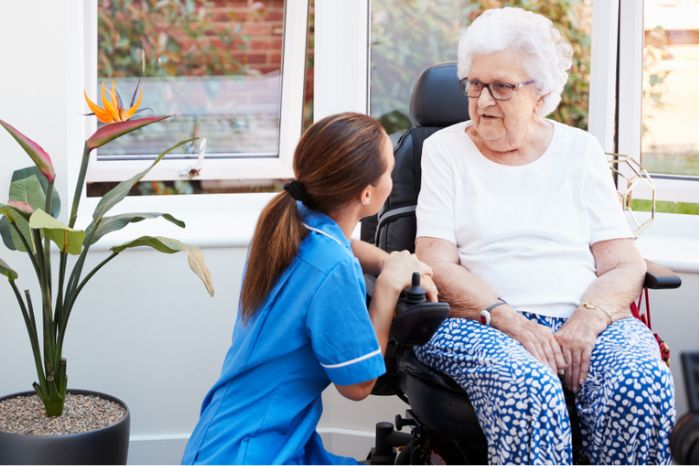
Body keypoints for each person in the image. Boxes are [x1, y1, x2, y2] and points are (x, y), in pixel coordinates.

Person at [414, 7, 675, 465]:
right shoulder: (444, 150)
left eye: (502, 86)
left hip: (584, 318)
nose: (483, 101)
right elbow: (435, 262)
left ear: (541, 93)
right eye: (474, 84)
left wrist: (588, 321)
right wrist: (513, 322)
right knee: (529, 386)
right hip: (480, 321)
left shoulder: (579, 150)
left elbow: (623, 262)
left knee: (640, 381)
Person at [182, 112, 436, 465]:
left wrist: (388, 262)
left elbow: (345, 245)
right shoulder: (333, 267)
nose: (392, 180)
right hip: (255, 453)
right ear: (366, 193)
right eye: (389, 173)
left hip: (228, 438)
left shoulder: (292, 219)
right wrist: (388, 290)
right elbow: (358, 387)